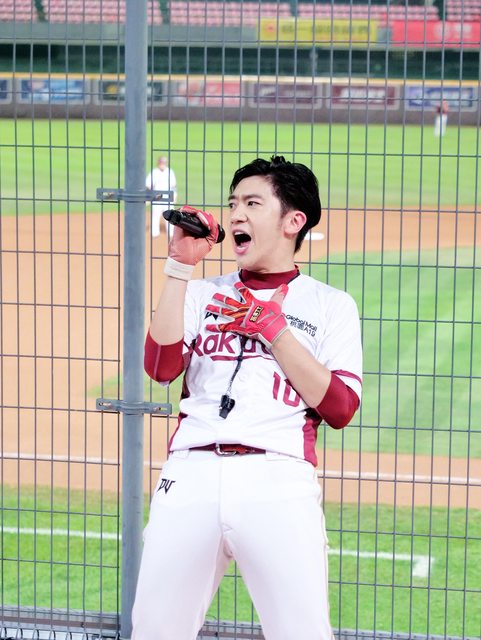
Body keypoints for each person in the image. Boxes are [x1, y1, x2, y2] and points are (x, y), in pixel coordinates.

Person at [132, 156, 363, 640]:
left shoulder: (331, 305)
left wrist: (276, 333)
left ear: (293, 221)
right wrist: (179, 267)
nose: (236, 213)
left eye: (252, 203)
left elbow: (341, 407)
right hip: (190, 473)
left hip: (278, 479)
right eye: (233, 203)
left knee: (302, 632)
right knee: (155, 629)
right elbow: (160, 368)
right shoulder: (202, 294)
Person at [145, 155, 178, 237]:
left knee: (170, 215)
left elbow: (173, 186)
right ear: (158, 163)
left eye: (164, 163)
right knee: (155, 215)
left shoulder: (170, 172)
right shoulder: (154, 172)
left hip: (168, 197)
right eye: (161, 163)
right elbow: (148, 186)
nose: (162, 164)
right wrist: (148, 197)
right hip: (157, 197)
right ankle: (154, 232)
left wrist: (175, 195)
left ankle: (171, 232)